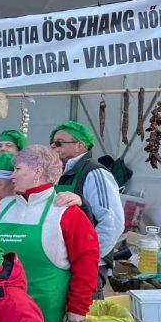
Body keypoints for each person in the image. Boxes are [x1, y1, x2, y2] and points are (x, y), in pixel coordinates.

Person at [0, 145, 99, 322]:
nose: (12, 176)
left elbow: (86, 263)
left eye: (18, 169)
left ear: (37, 172)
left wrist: (78, 307)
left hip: (45, 312)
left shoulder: (66, 212)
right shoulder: (0, 207)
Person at [50, 121, 124, 298]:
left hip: (86, 265)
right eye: (52, 142)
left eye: (59, 143)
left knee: (83, 311)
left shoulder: (95, 173)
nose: (53, 146)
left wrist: (87, 258)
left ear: (80, 146)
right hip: (63, 260)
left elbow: (112, 223)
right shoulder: (58, 173)